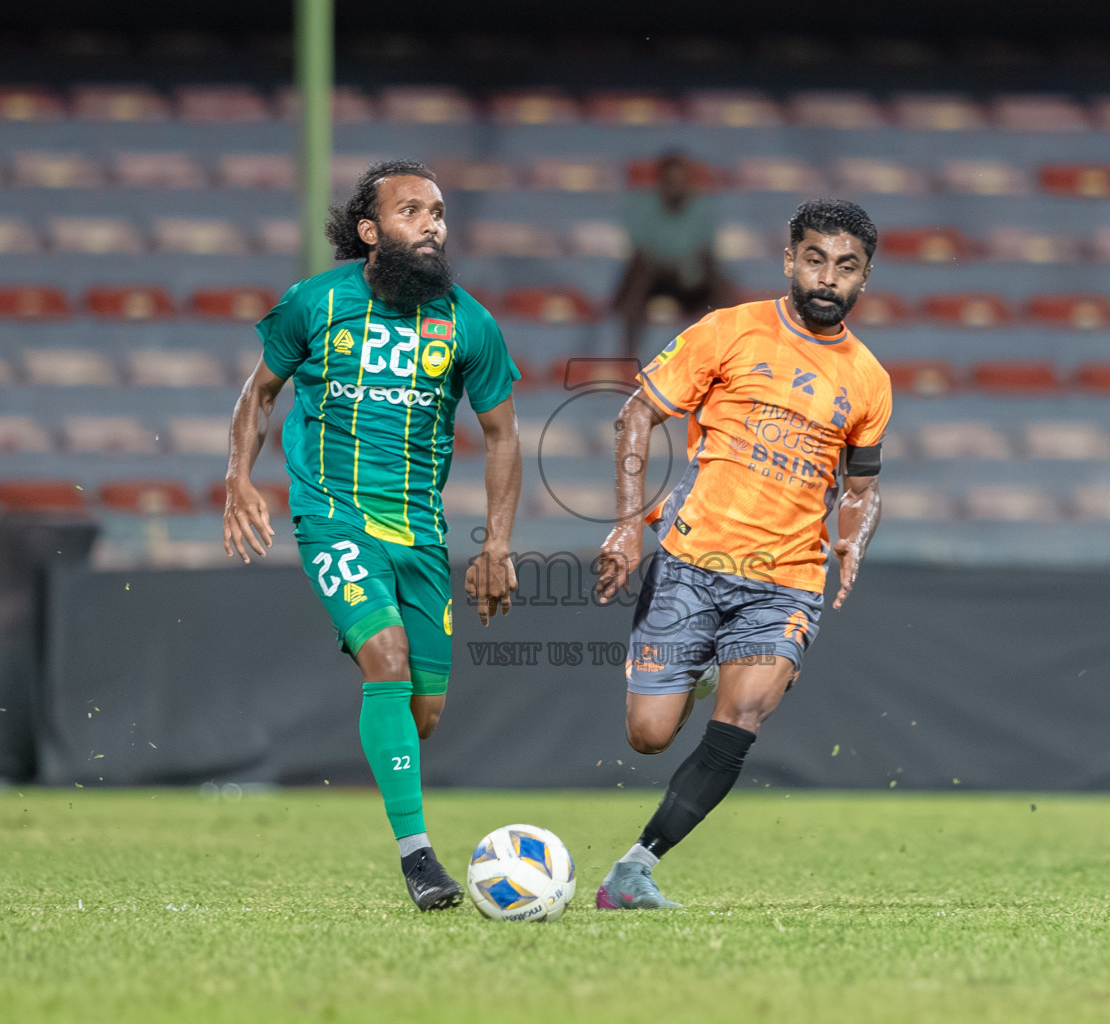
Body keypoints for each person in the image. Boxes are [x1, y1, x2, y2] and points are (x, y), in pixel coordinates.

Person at [223, 159, 522, 912]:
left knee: (424, 711)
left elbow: (504, 435)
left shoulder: (466, 321)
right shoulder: (314, 304)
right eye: (414, 211)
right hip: (333, 515)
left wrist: (496, 546)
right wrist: (238, 478)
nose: (434, 225)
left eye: (440, 213)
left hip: (421, 534)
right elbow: (260, 393)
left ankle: (397, 790)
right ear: (369, 230)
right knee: (383, 658)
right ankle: (419, 858)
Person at [593, 198, 892, 909]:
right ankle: (691, 675)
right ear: (789, 260)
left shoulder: (869, 380)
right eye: (815, 260)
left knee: (747, 713)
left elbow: (862, 485)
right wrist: (628, 524)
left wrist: (853, 532)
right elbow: (637, 412)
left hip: (786, 581)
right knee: (648, 735)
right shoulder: (727, 332)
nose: (828, 278)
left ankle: (634, 870)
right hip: (692, 563)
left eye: (846, 267)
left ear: (864, 279)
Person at [612, 152, 736, 363]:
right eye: (670, 181)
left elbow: (705, 251)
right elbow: (641, 249)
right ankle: (628, 355)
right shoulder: (642, 206)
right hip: (654, 278)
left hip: (689, 282)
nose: (676, 187)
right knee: (639, 268)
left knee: (719, 279)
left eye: (681, 181)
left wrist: (687, 270)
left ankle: (725, 349)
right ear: (660, 183)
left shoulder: (703, 208)